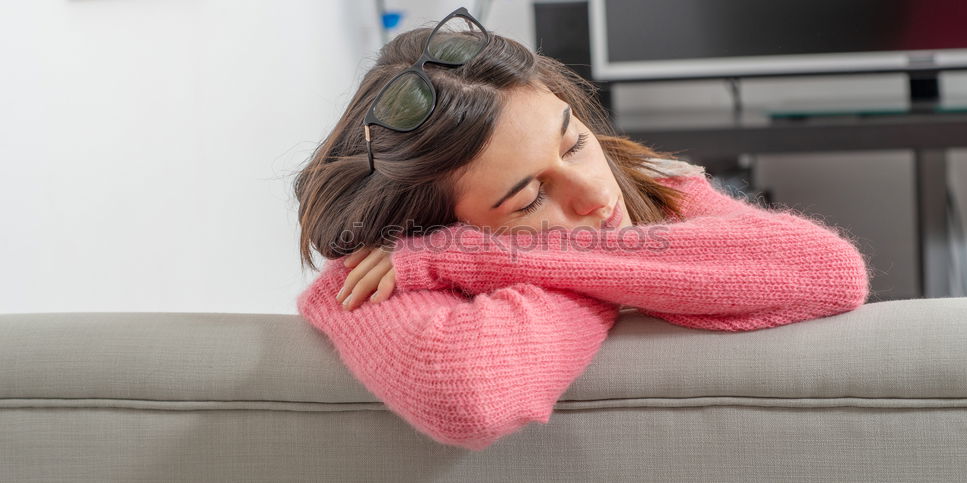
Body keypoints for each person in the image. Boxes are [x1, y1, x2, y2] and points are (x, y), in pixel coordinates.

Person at [294, 7, 871, 451]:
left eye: (575, 143)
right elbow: (469, 393)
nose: (597, 194)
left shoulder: (657, 186)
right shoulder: (377, 278)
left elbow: (830, 270)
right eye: (529, 198)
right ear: (425, 226)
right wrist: (611, 275)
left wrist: (481, 253)